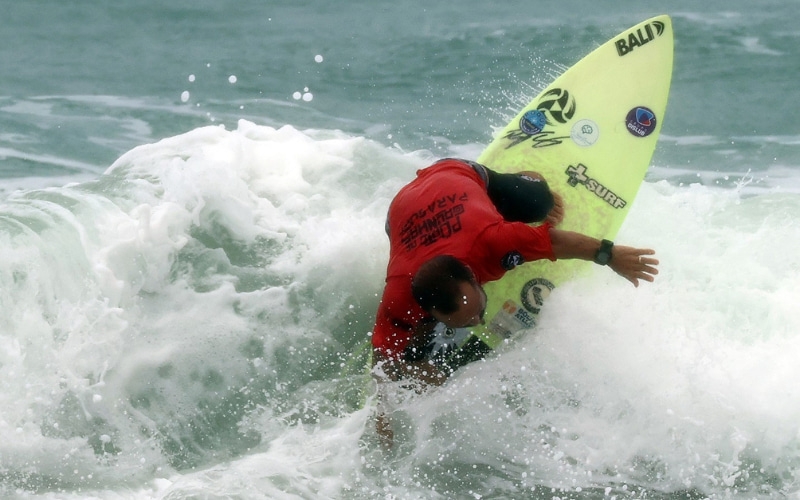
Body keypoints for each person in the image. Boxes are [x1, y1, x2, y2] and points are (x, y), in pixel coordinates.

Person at [370, 158, 658, 447]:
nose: (479, 322)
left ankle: (525, 180)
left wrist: (611, 256)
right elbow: (381, 358)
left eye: (479, 311)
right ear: (428, 308)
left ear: (474, 275)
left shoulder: (495, 242)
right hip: (401, 211)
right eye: (467, 322)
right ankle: (419, 348)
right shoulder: (400, 294)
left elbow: (556, 241)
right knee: (408, 355)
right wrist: (382, 416)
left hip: (454, 174)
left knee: (541, 205)